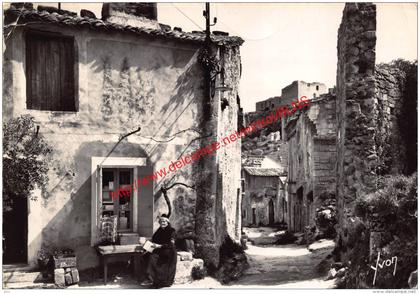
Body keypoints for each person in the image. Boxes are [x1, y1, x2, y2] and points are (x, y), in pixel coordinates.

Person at [140, 214, 177, 288]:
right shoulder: (159, 231)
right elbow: (154, 240)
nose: (162, 223)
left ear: (167, 222)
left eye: (164, 221)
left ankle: (159, 282)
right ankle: (151, 279)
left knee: (154, 259)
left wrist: (159, 246)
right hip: (160, 251)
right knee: (146, 256)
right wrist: (147, 244)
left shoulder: (172, 231)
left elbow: (171, 245)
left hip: (169, 253)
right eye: (161, 221)